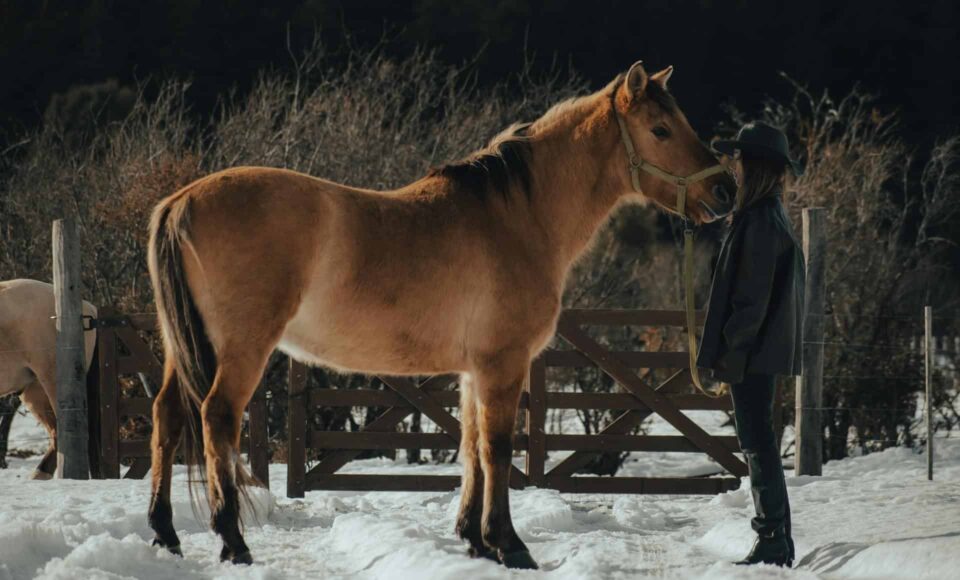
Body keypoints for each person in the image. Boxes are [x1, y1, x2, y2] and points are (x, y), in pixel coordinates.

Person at [697, 121, 805, 567]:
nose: (734, 167)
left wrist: (729, 357)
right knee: (757, 442)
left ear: (755, 165)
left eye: (740, 159)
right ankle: (775, 536)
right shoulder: (762, 216)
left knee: (757, 444)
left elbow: (749, 303)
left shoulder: (761, 221)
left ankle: (774, 539)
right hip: (758, 352)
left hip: (753, 354)